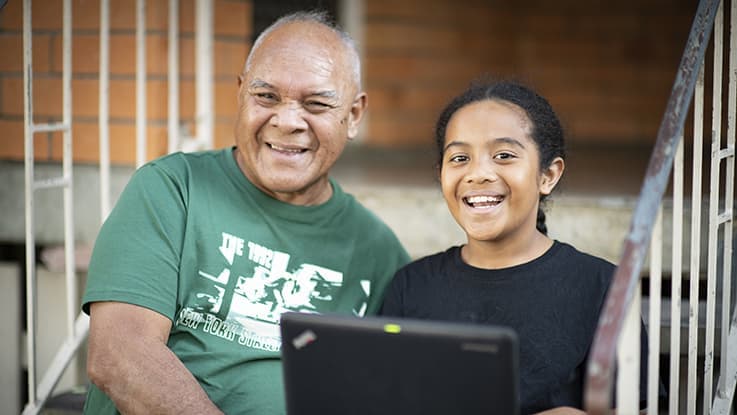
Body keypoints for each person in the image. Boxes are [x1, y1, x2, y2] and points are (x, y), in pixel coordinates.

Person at [81, 11, 410, 415]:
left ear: (354, 115)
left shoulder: (378, 251)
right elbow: (120, 355)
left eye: (317, 104)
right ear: (241, 93)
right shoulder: (172, 189)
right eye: (266, 96)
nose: (287, 121)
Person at [379, 80, 651, 414]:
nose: (478, 173)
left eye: (504, 155)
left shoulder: (601, 286)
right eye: (460, 158)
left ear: (548, 175)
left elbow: (635, 406)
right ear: (442, 176)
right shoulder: (412, 286)